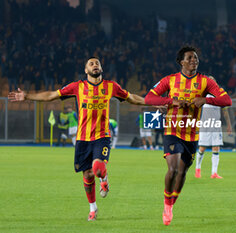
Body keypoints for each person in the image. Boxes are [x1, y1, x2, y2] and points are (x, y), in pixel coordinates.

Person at [8, 57, 145, 221]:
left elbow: (132, 98)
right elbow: (51, 95)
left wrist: (152, 101)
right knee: (87, 175)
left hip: (102, 136)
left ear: (101, 68)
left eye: (97, 63)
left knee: (98, 168)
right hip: (82, 138)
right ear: (86, 70)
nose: (95, 65)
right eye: (91, 64)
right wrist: (28, 96)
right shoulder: (77, 87)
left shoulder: (111, 86)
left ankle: (104, 179)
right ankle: (93, 209)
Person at [145, 46, 232, 225]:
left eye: (196, 58)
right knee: (173, 168)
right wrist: (170, 101)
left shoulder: (206, 82)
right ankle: (167, 204)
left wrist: (205, 99)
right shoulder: (170, 80)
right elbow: (149, 98)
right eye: (190, 58)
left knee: (183, 172)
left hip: (192, 133)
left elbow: (226, 100)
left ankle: (171, 202)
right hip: (172, 129)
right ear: (181, 62)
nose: (195, 60)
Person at [195, 76, 232, 179]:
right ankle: (198, 169)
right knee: (202, 148)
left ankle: (214, 173)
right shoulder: (202, 94)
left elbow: (225, 111)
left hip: (216, 125)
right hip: (205, 125)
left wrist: (229, 125)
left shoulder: (220, 94)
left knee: (216, 147)